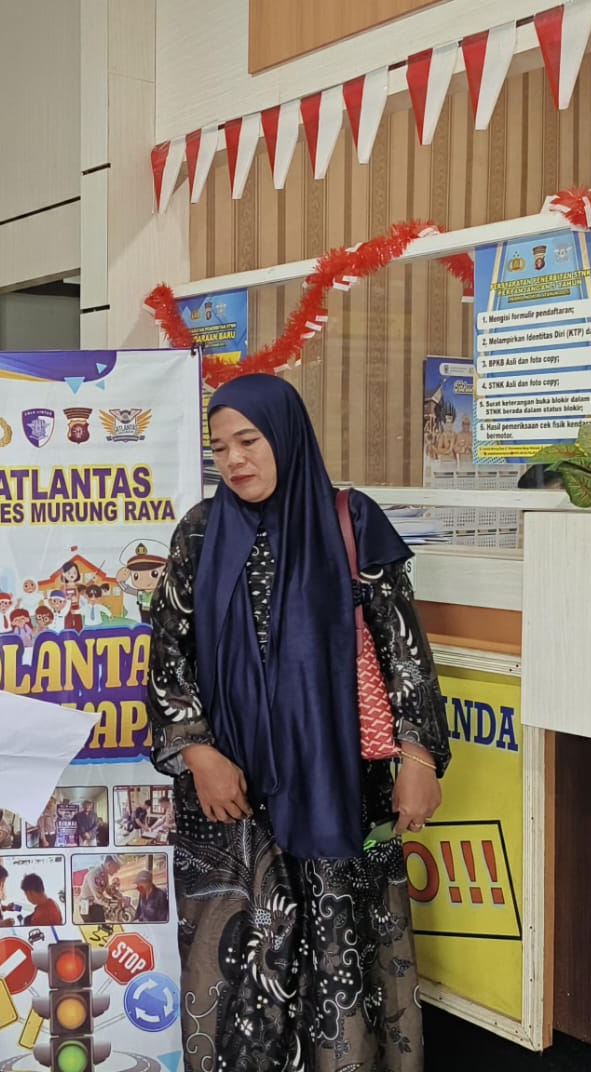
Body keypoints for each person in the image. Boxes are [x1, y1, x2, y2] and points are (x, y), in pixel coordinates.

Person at [146, 373, 449, 1071]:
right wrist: (198, 753)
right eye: (220, 447)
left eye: (249, 441)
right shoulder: (199, 532)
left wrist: (419, 757)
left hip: (337, 784)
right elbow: (168, 655)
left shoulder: (352, 520)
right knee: (237, 961)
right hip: (230, 799)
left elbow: (404, 650)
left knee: (343, 953)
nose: (234, 460)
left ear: (286, 437)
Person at [79, 855, 124, 923]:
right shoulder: (96, 874)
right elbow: (98, 898)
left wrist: (118, 896)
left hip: (94, 905)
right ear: (109, 864)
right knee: (96, 926)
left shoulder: (104, 874)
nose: (116, 871)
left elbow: (108, 890)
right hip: (87, 907)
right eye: (116, 868)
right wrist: (110, 903)